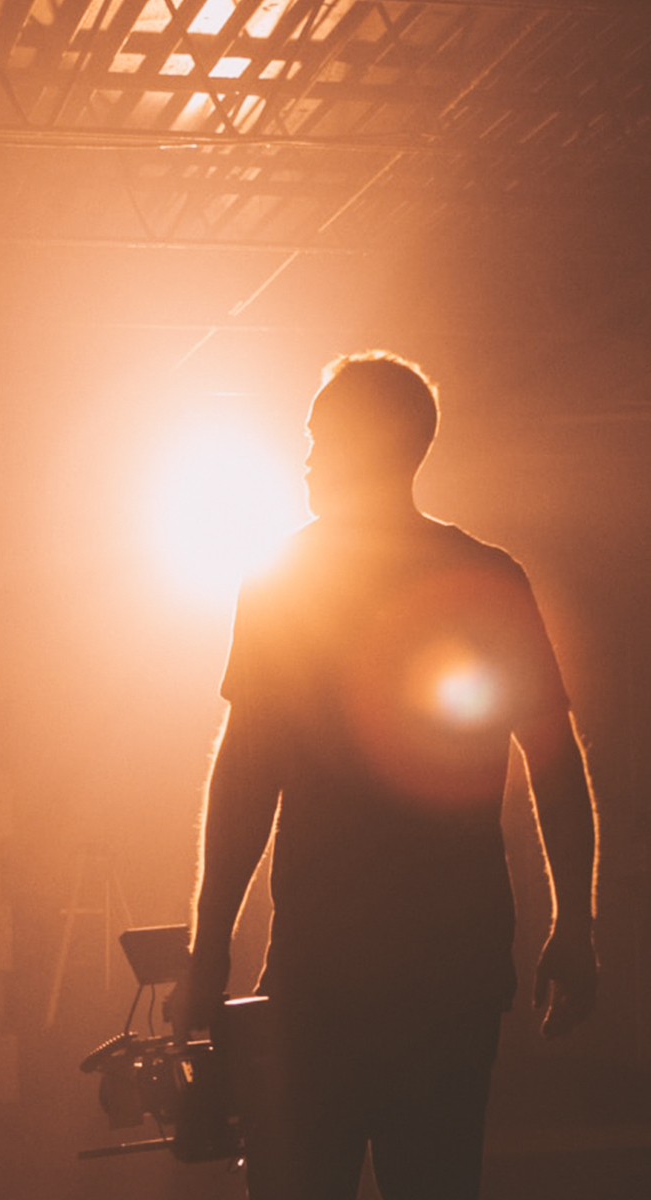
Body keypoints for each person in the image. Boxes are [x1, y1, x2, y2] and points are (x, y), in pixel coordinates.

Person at [171, 352, 598, 1200]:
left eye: (321, 439)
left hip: (321, 969)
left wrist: (208, 948)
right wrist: (574, 926)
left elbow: (248, 775)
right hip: (450, 970)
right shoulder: (485, 576)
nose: (307, 458)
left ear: (371, 445)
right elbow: (553, 758)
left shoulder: (285, 579)